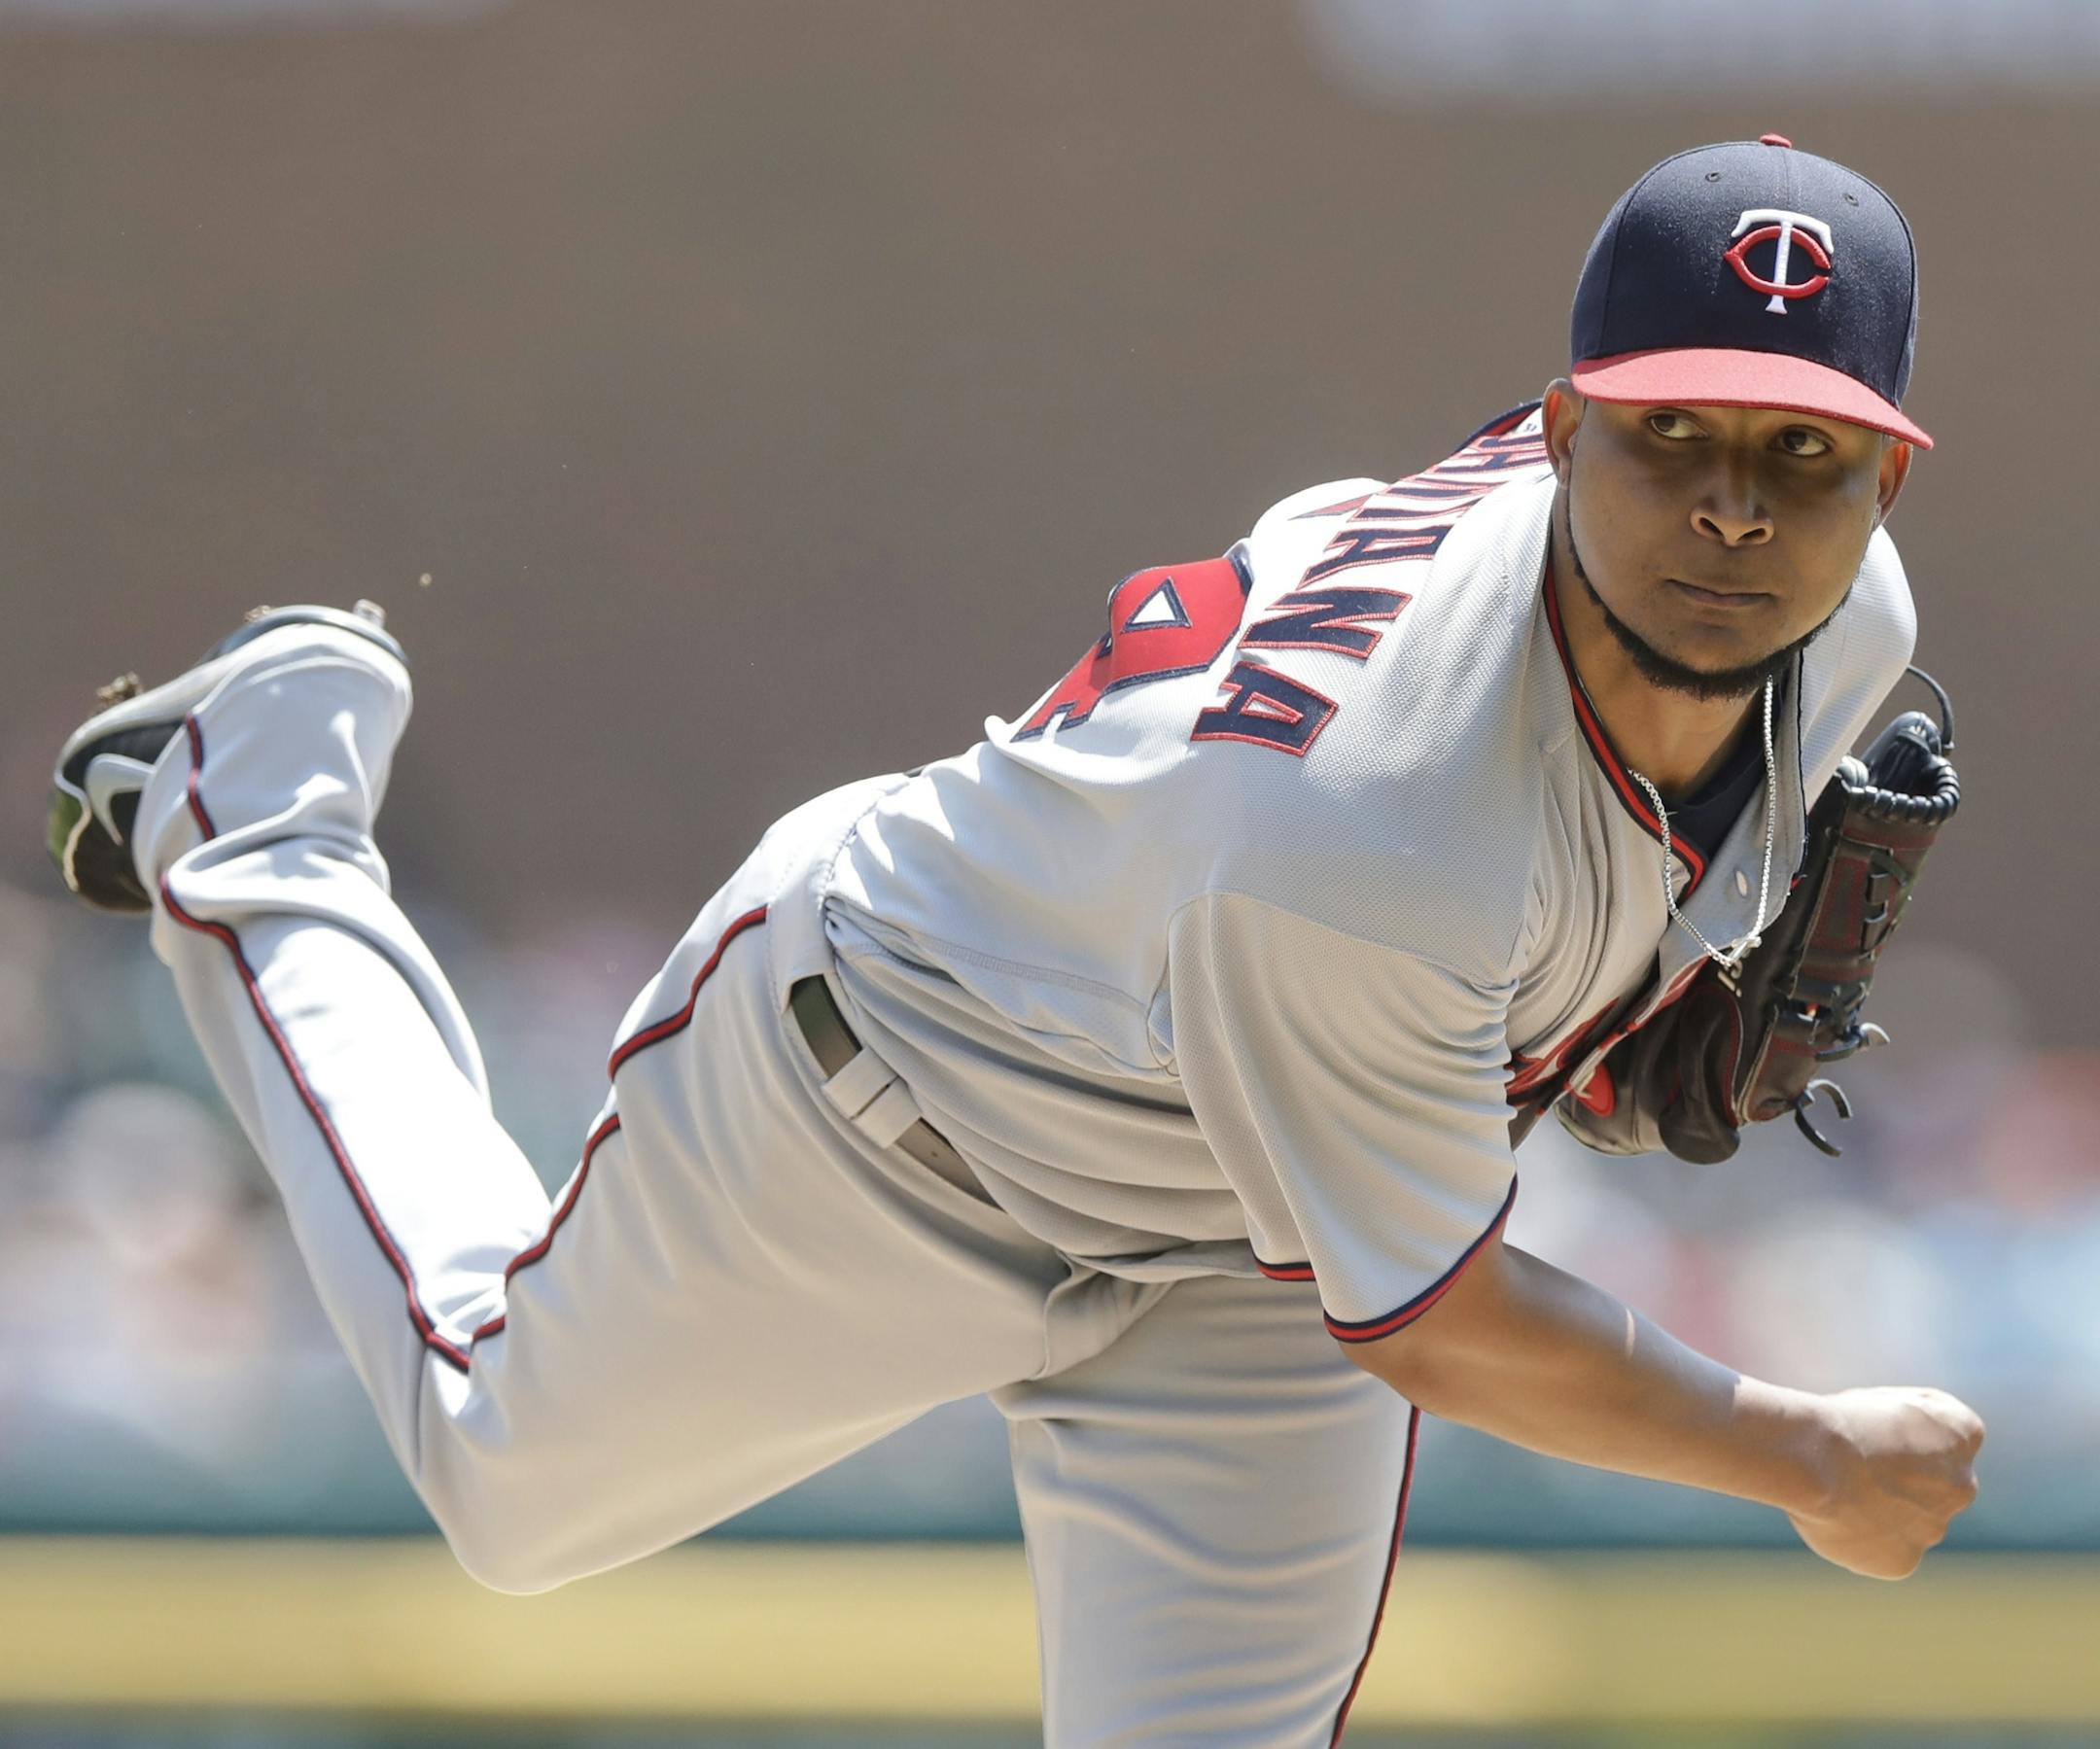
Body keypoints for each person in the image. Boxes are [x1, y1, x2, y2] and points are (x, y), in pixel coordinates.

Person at [48, 135, 1982, 1745]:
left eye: (1802, 453)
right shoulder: (1359, 818)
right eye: (1673, 440)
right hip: (886, 1104)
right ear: (1563, 430)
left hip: (1252, 1246)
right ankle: (261, 809)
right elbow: (1447, 1324)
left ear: (1886, 478)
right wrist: (1802, 1456)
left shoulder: (1847, 625)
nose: (1734, 511)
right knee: (503, 1478)